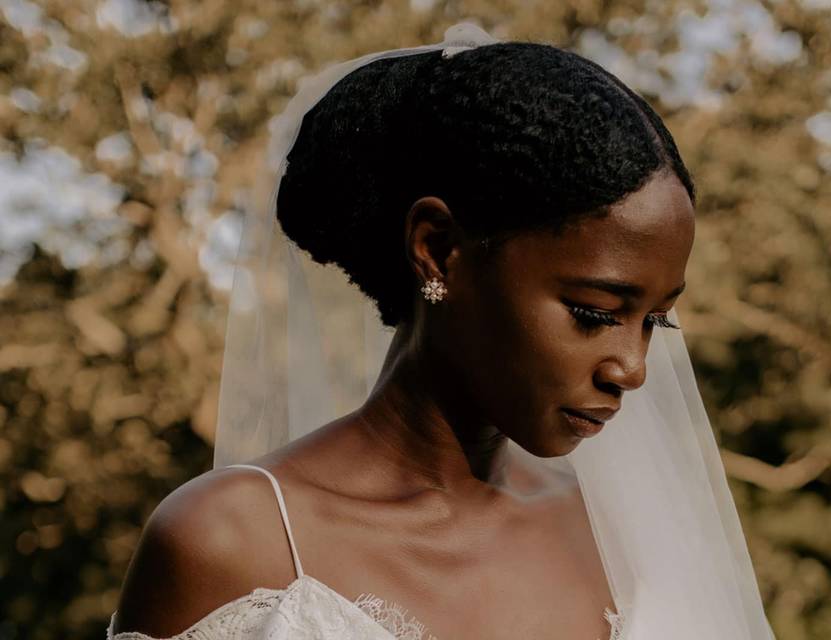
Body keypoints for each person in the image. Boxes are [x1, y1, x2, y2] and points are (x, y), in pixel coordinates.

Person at [108, 24, 774, 640]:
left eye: (655, 320)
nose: (630, 368)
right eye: (596, 312)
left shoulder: (627, 536)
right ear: (438, 250)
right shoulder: (228, 540)